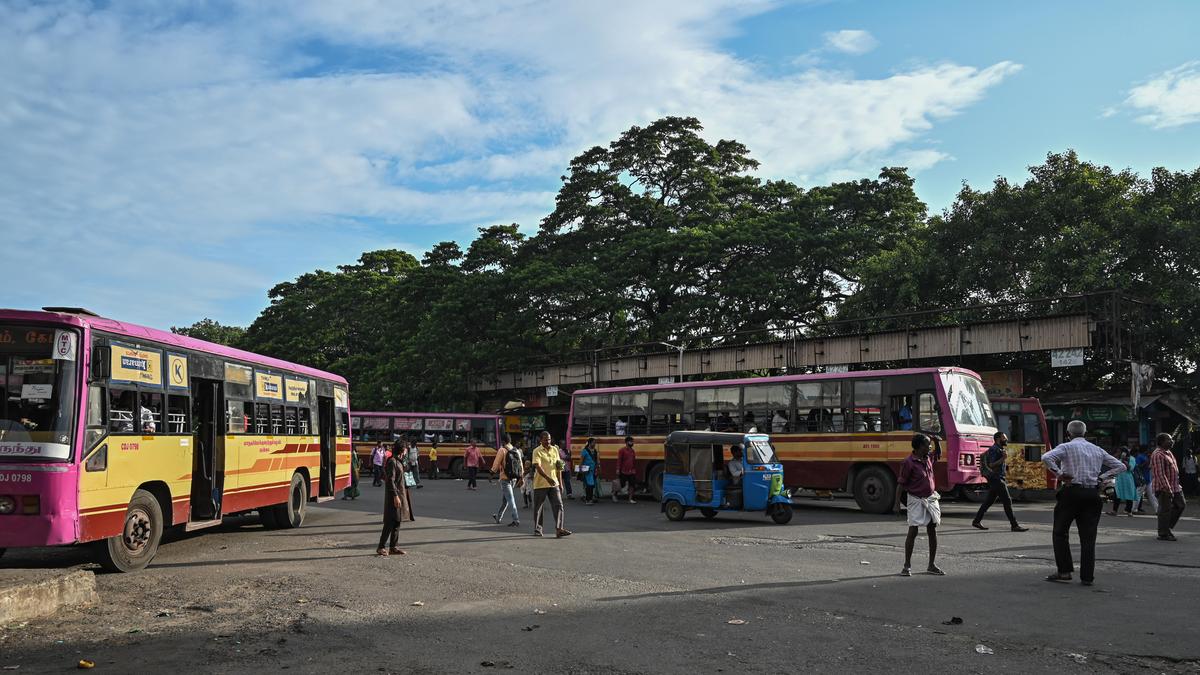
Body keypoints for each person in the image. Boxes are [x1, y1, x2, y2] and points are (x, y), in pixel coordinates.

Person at [1041, 420, 1126, 585]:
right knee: (1088, 538)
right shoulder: (1097, 449)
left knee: (1060, 532)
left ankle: (1064, 571)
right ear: (1085, 433)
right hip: (1092, 493)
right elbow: (1121, 466)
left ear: (1068, 433)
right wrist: (1102, 478)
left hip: (1071, 492)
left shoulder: (1066, 447)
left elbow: (1046, 457)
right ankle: (1087, 577)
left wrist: (1059, 473)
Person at [895, 433, 944, 577]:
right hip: (916, 499)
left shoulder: (927, 457)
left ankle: (931, 565)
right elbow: (901, 484)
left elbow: (938, 454)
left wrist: (936, 442)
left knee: (932, 529)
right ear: (919, 447)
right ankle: (907, 565)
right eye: (927, 444)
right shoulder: (908, 462)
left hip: (930, 498)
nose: (930, 447)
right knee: (913, 531)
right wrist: (896, 504)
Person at [972, 432, 1029, 531]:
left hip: (997, 478)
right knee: (1007, 501)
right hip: (996, 479)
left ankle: (976, 521)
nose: (1006, 440)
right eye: (1004, 438)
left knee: (989, 501)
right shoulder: (995, 450)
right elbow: (991, 465)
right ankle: (1014, 525)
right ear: (998, 439)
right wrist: (1003, 458)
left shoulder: (1000, 449)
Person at [377, 440, 414, 556]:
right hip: (395, 495)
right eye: (406, 449)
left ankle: (393, 546)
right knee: (389, 522)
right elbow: (390, 481)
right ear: (402, 449)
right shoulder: (392, 462)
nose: (407, 450)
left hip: (400, 494)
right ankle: (381, 547)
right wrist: (395, 496)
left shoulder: (399, 461)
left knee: (397, 521)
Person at [531, 431, 571, 538]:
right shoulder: (537, 451)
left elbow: (559, 467)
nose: (548, 441)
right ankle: (538, 529)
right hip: (540, 484)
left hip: (554, 483)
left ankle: (559, 529)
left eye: (549, 439)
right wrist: (547, 478)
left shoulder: (555, 449)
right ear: (541, 440)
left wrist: (560, 483)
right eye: (545, 439)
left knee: (558, 505)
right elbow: (538, 467)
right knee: (539, 507)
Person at [1151, 433, 1186, 542]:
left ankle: (1166, 527)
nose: (1172, 441)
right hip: (1164, 488)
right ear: (1161, 442)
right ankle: (1163, 533)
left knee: (1181, 505)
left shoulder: (1168, 452)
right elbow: (1160, 474)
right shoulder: (1158, 454)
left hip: (1175, 486)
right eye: (1169, 440)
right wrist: (1167, 489)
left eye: (1171, 439)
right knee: (1165, 510)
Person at [491, 434, 522, 527]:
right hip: (513, 478)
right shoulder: (516, 450)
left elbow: (496, 464)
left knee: (510, 499)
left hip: (505, 478)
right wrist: (521, 477)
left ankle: (516, 519)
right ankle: (498, 517)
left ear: (503, 441)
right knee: (506, 500)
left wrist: (491, 473)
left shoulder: (502, 450)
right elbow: (521, 465)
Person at [1107, 447, 1136, 516]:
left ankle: (1129, 511)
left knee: (1129, 494)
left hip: (1127, 479)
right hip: (1119, 479)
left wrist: (1124, 461)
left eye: (1120, 452)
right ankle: (1114, 511)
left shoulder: (1131, 459)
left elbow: (1130, 468)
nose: (1119, 453)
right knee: (1117, 494)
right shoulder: (1119, 459)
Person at [1134, 446, 1158, 514]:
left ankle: (1157, 509)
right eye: (1147, 450)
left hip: (1148, 479)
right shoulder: (1139, 457)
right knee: (1138, 494)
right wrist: (1147, 462)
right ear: (1145, 450)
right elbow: (1138, 467)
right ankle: (1134, 509)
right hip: (1142, 479)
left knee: (1152, 495)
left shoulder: (1146, 457)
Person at [614, 436, 637, 504]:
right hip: (623, 471)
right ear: (627, 442)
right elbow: (619, 460)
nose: (632, 443)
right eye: (631, 441)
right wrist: (618, 469)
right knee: (621, 484)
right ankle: (614, 494)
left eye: (632, 441)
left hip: (631, 471)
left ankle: (630, 499)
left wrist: (634, 469)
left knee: (632, 485)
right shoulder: (622, 450)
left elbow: (633, 461)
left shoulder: (633, 451)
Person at [578, 437, 600, 505]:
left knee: (592, 485)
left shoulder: (595, 451)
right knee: (589, 485)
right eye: (593, 442)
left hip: (594, 470)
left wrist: (598, 467)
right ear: (590, 443)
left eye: (595, 443)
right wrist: (580, 469)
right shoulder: (584, 451)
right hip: (587, 471)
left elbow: (597, 460)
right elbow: (581, 461)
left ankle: (590, 499)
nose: (594, 444)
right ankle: (588, 500)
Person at [722, 444, 745, 509]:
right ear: (734, 452)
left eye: (741, 450)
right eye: (739, 451)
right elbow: (734, 473)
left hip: (745, 479)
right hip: (738, 481)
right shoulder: (731, 463)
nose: (741, 452)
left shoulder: (743, 460)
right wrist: (743, 472)